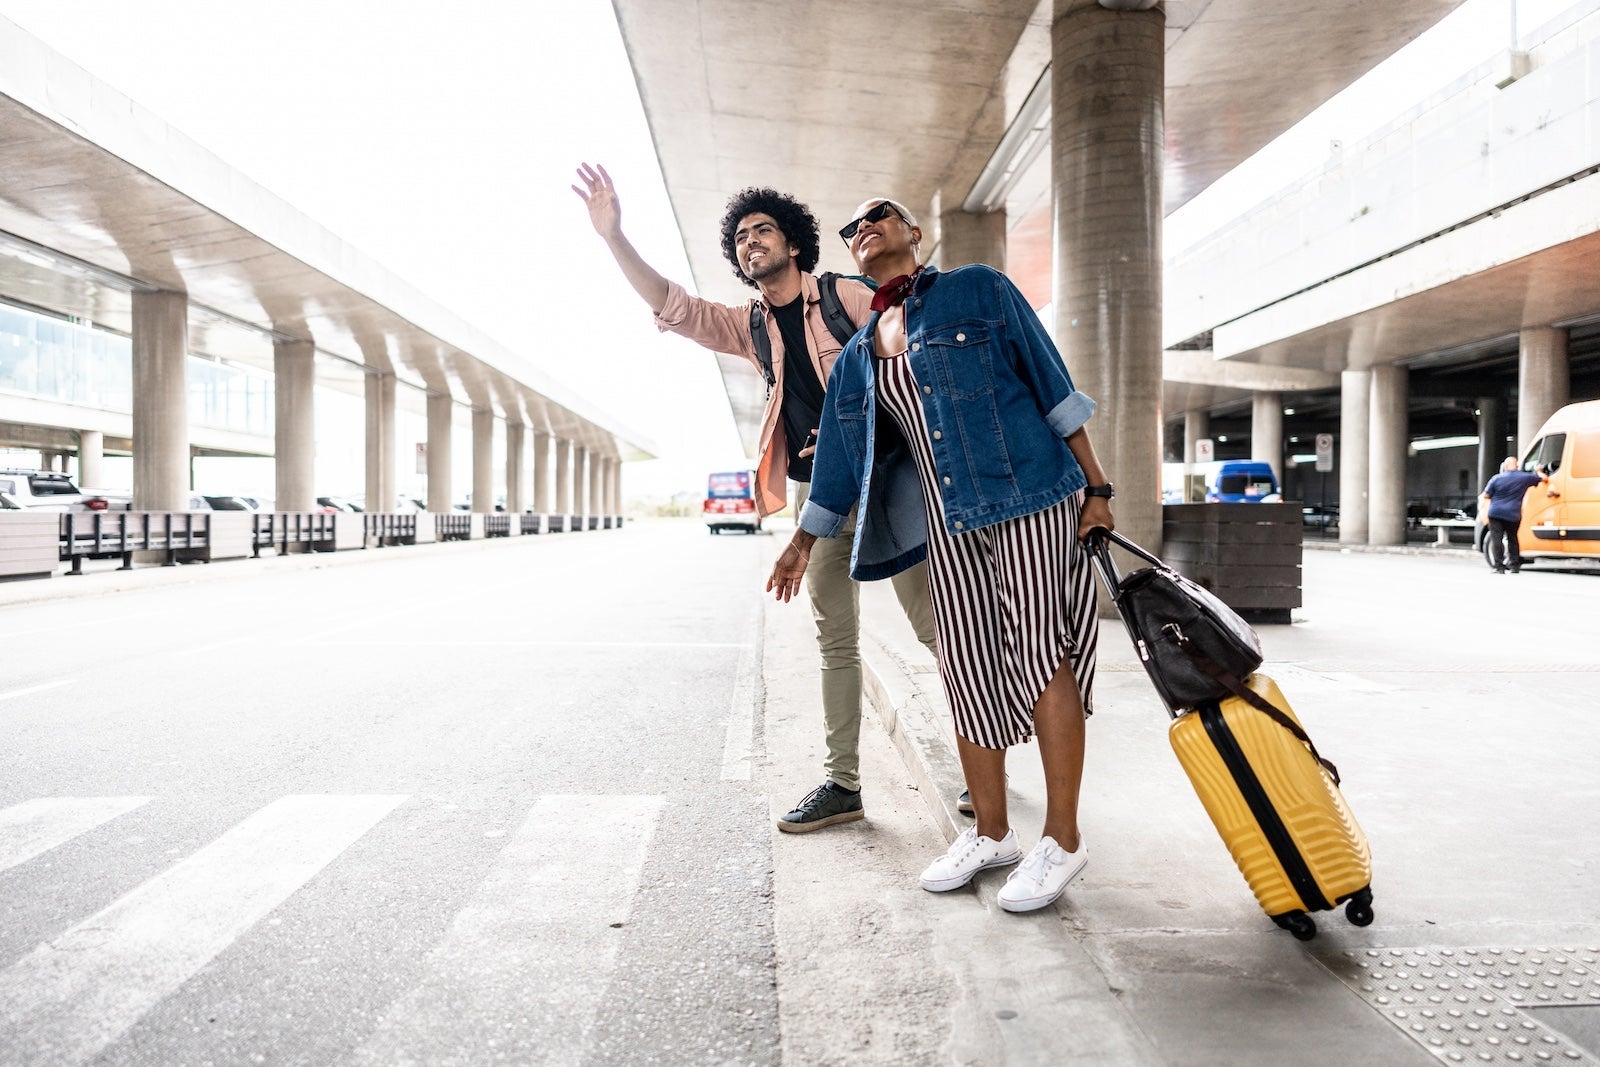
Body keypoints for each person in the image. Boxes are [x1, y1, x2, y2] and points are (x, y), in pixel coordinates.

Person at [766, 197, 1115, 913]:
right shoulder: (862, 355)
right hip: (946, 524)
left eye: (879, 215)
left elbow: (1052, 384)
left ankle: (1064, 838)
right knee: (965, 664)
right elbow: (836, 459)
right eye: (852, 227)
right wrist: (803, 540)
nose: (864, 228)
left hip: (1030, 499)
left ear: (913, 233)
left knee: (1042, 651)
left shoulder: (977, 287)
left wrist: (1099, 487)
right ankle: (991, 833)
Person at [572, 164, 938, 833]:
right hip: (817, 496)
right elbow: (675, 307)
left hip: (890, 477)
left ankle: (986, 763)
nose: (750, 241)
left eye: (762, 229)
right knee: (834, 639)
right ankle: (844, 784)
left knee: (932, 628)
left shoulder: (846, 299)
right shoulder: (753, 328)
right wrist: (614, 238)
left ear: (792, 242)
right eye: (740, 237)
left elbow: (909, 355)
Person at [1480, 456, 1546, 573]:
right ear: (1517, 466)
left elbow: (1486, 495)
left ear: (1505, 466)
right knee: (1513, 539)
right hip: (1513, 514)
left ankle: (1499, 567)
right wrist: (1539, 471)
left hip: (1496, 513)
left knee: (1497, 540)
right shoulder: (1524, 478)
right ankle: (1514, 567)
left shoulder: (1496, 479)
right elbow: (1544, 479)